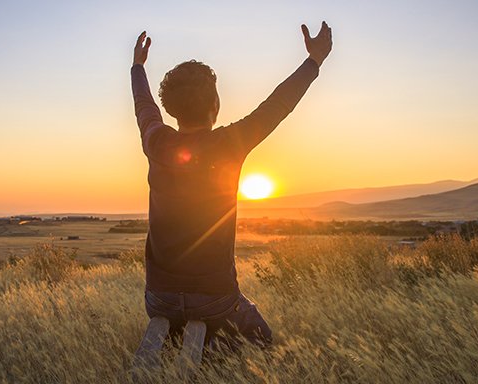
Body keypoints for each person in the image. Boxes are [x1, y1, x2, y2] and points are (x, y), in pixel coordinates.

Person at [131, 22, 332, 349]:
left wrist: (138, 67)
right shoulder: (228, 144)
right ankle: (211, 351)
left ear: (171, 109)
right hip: (215, 297)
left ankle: (178, 340)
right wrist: (314, 61)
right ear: (215, 106)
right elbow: (277, 106)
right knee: (261, 338)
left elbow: (143, 107)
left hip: (158, 298)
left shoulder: (156, 141)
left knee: (183, 324)